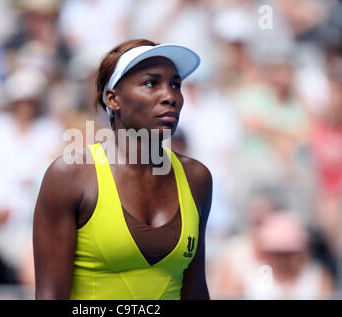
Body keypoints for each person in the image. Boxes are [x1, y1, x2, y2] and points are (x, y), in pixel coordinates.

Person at [33, 39, 213, 300]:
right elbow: (50, 296)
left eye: (176, 84)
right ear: (113, 98)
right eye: (151, 83)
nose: (170, 96)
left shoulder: (197, 178)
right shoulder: (69, 175)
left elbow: (195, 292)